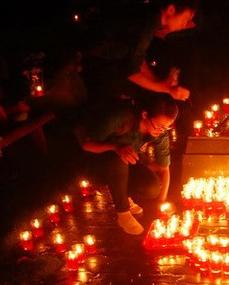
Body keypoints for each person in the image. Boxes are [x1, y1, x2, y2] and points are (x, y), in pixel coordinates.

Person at [76, 94, 178, 235]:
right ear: (145, 114)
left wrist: (161, 202)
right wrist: (116, 147)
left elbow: (164, 168)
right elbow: (87, 145)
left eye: (166, 127)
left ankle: (122, 195)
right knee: (119, 157)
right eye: (160, 126)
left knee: (152, 188)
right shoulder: (122, 118)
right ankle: (122, 213)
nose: (161, 131)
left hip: (124, 166)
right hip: (96, 164)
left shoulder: (160, 134)